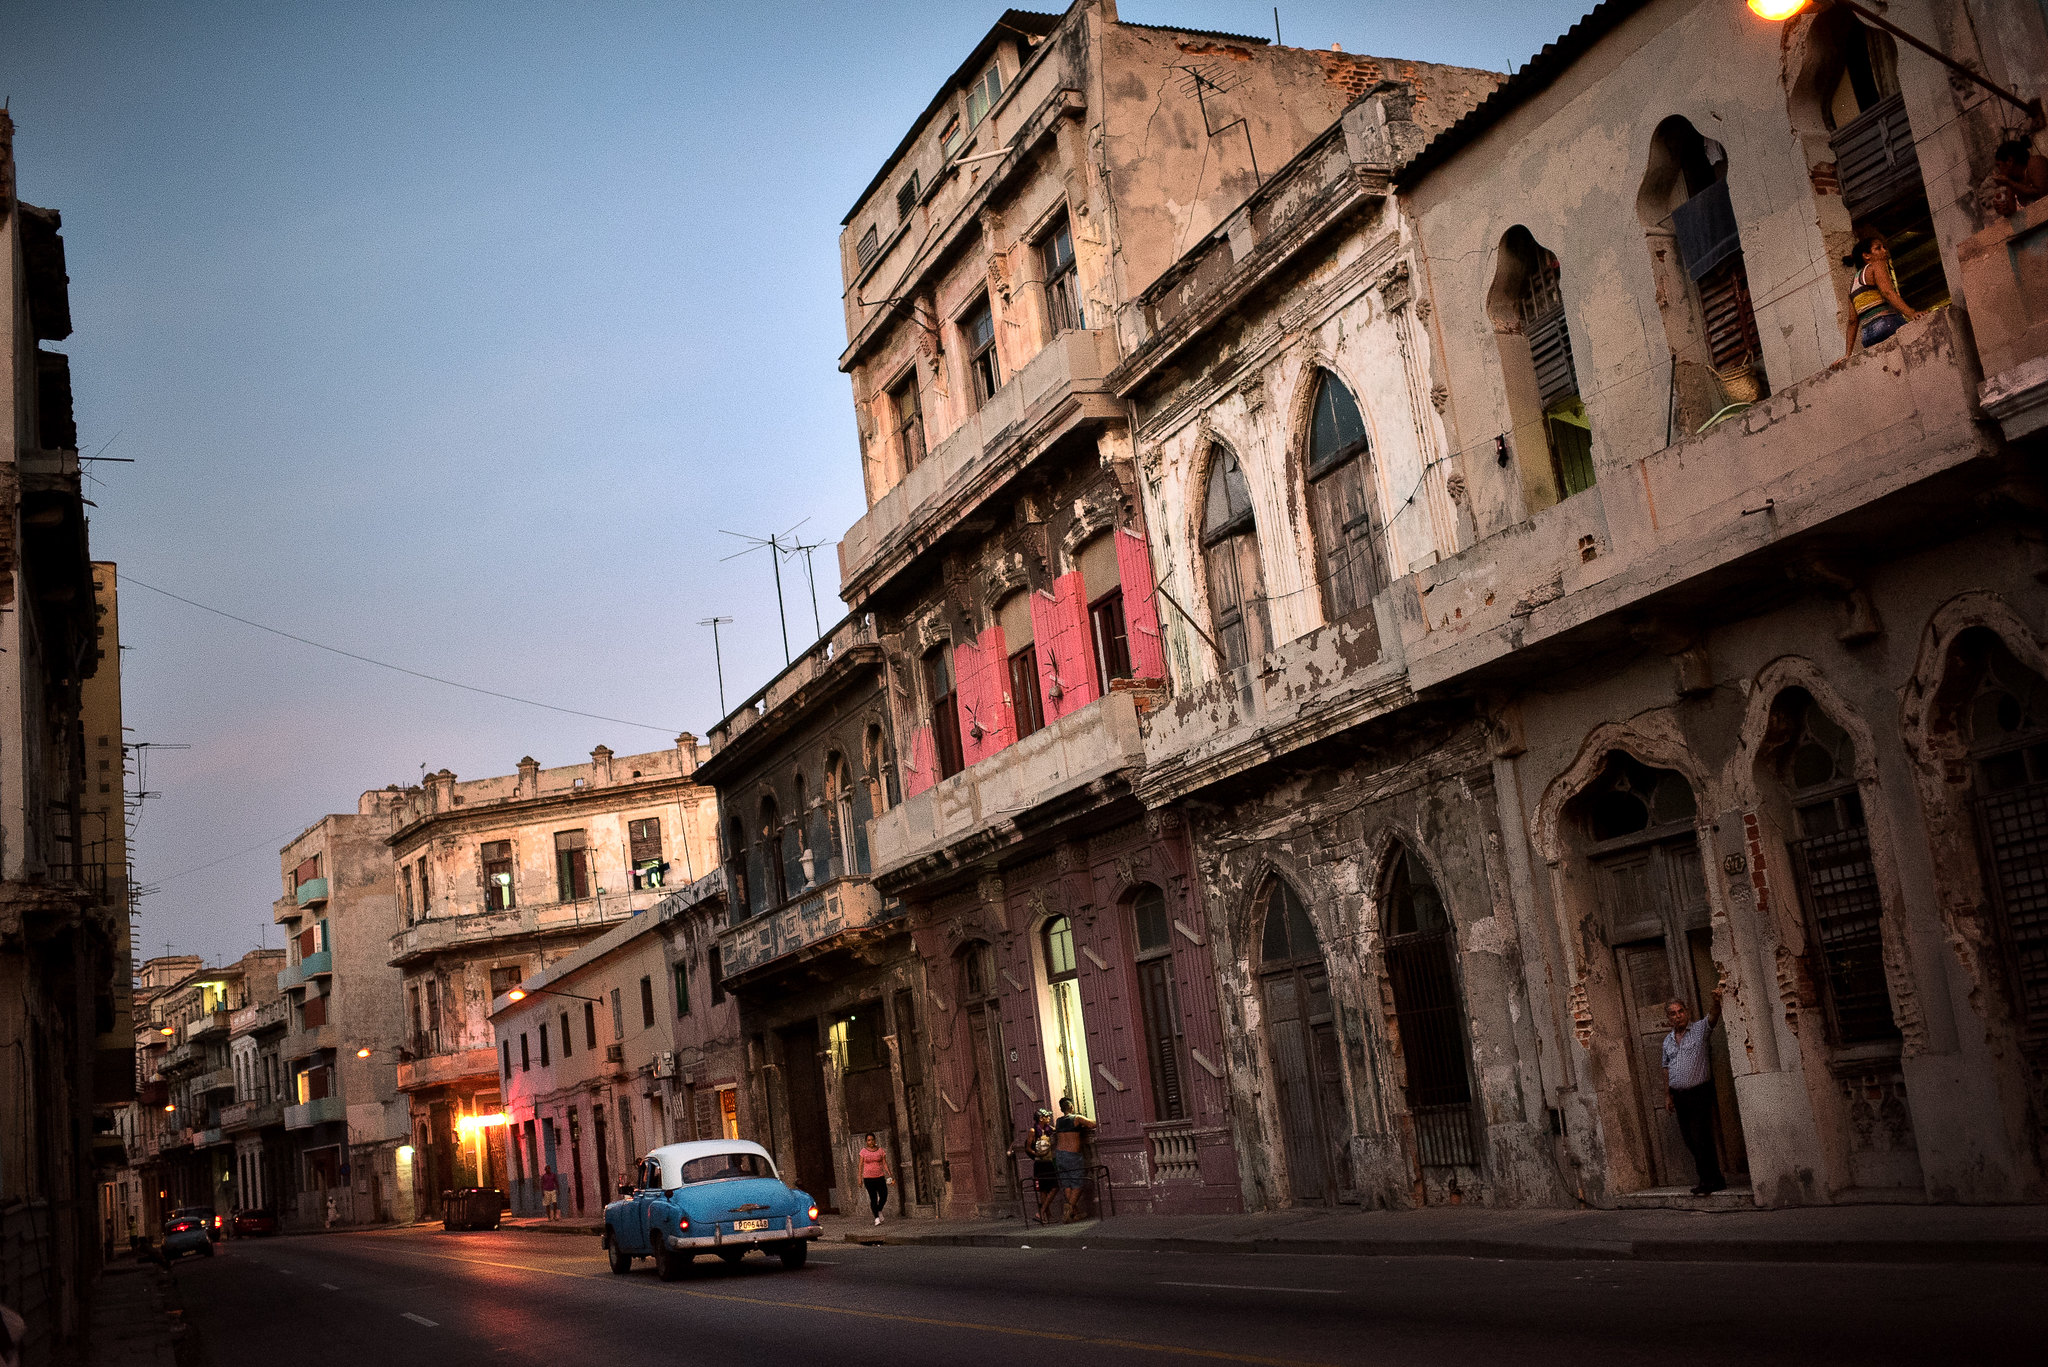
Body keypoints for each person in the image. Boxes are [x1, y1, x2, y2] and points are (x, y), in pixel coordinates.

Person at [1663, 988, 1727, 1197]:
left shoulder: (1699, 1030)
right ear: (1668, 1018)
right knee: (1690, 1139)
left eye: (1680, 1011)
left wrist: (1716, 1001)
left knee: (1701, 1137)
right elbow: (1666, 1067)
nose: (1678, 1016)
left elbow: (1713, 1017)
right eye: (1673, 1013)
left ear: (1687, 1012)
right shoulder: (1668, 1041)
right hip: (1679, 1096)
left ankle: (1710, 1180)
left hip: (1699, 1093)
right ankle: (1711, 1179)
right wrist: (1668, 1095)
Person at [1842, 231, 1921, 354]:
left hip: (1867, 336)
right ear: (1866, 256)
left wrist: (1847, 354)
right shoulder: (1876, 265)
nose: (1884, 251)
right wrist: (1911, 313)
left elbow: (1852, 321)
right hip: (1887, 323)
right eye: (1878, 248)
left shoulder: (1853, 284)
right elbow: (1887, 292)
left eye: (1884, 247)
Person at [1052, 1096, 1096, 1223]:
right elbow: (1092, 1124)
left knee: (1067, 1184)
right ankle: (1069, 1210)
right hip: (1072, 1155)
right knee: (1078, 1184)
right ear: (1071, 1107)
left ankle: (1074, 1213)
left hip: (1059, 1155)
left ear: (1061, 1109)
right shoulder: (1077, 1118)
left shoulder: (1058, 1121)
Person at [1981, 138, 2048, 217]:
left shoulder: (2035, 162)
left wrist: (2010, 183)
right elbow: (2012, 210)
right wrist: (2003, 209)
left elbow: (2042, 195)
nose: (1999, 170)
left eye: (1999, 165)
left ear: (2010, 161)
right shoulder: (2012, 179)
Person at [1019, 1108, 1059, 1225]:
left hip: (1049, 1162)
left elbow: (1057, 1131)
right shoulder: (1033, 1131)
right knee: (1043, 1190)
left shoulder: (1048, 1129)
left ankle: (1041, 1212)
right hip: (1040, 1163)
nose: (1049, 1118)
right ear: (1041, 1118)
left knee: (1054, 1188)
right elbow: (1027, 1148)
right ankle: (1047, 1214)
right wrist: (1037, 1153)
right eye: (1047, 1116)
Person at [857, 1133, 891, 1226]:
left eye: (872, 1140)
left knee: (884, 1195)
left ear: (875, 1140)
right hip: (868, 1178)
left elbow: (884, 1163)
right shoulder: (863, 1152)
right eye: (868, 1140)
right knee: (873, 1198)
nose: (871, 1142)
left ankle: (879, 1210)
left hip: (880, 1177)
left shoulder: (880, 1151)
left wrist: (890, 1174)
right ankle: (876, 1218)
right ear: (866, 1142)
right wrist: (859, 1178)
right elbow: (860, 1165)